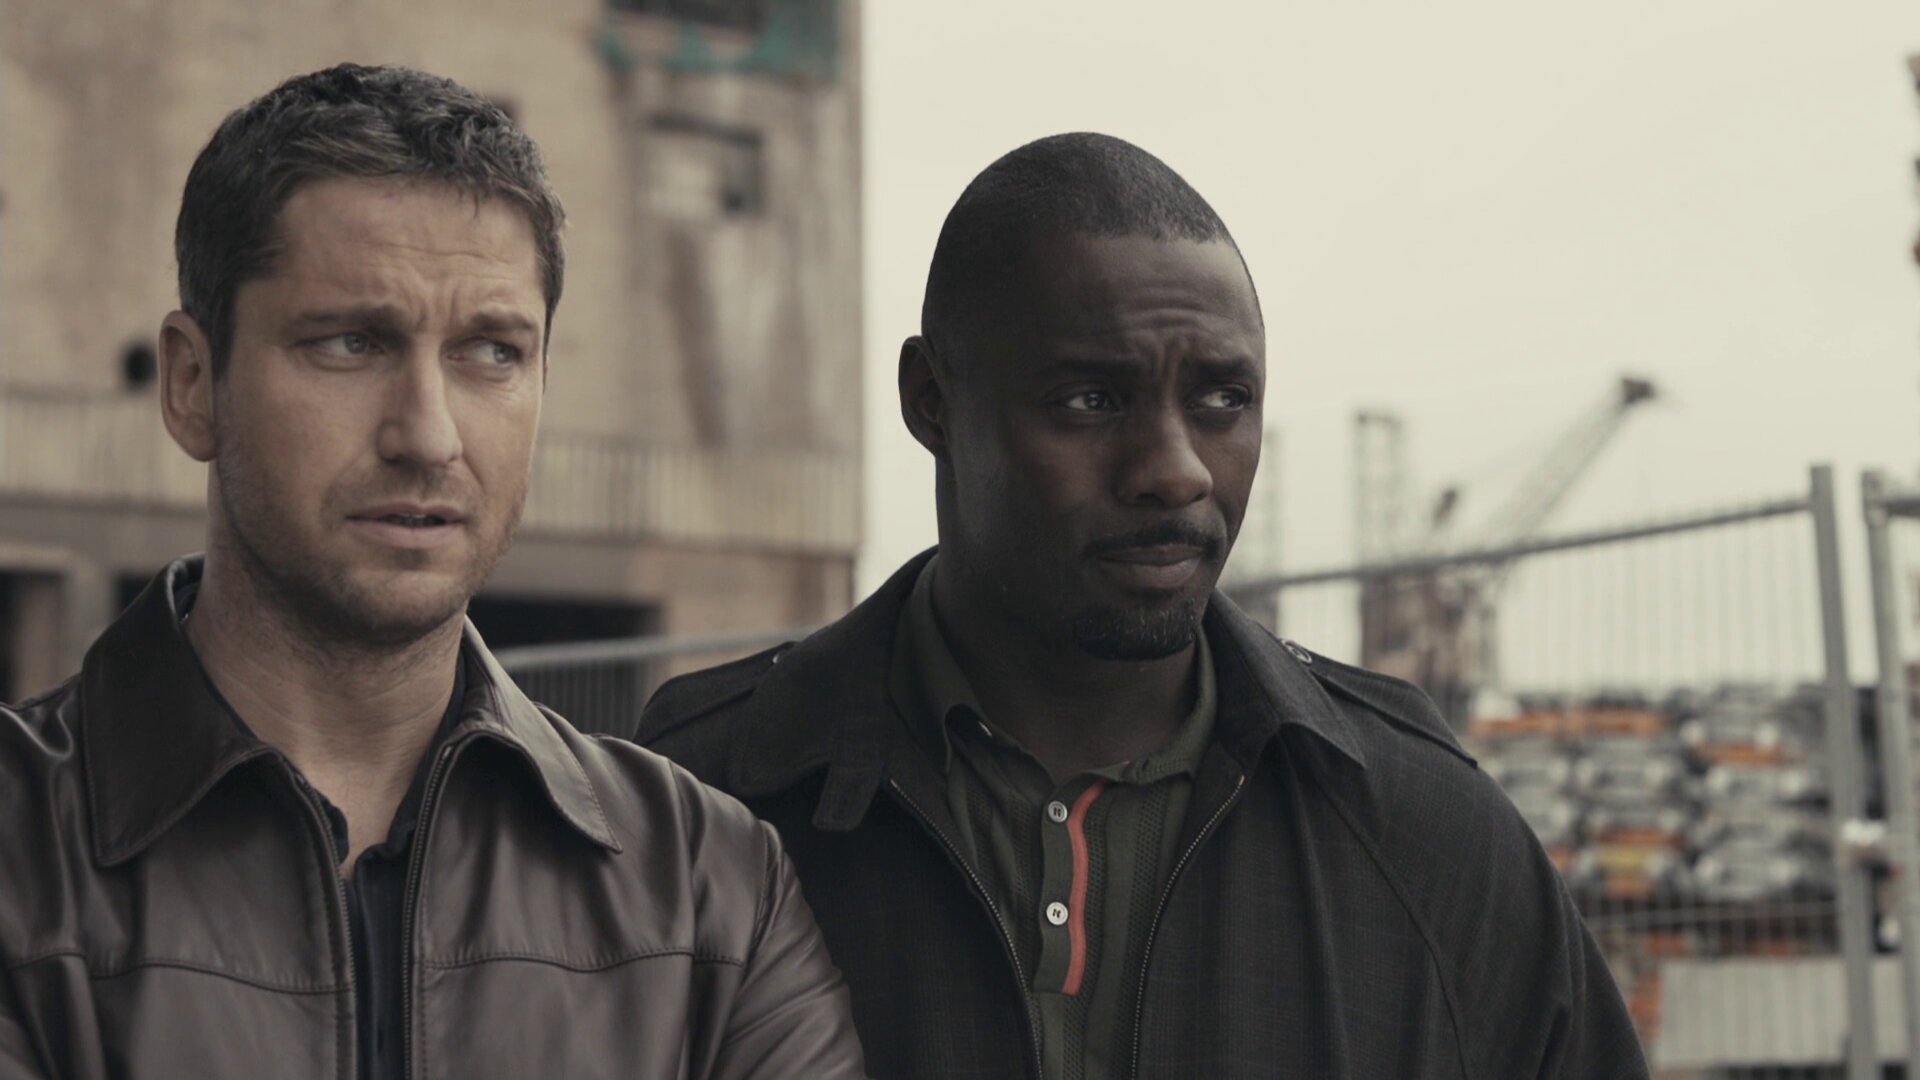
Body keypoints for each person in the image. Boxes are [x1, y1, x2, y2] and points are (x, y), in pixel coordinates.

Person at [638, 133, 1650, 1078]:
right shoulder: (701, 804)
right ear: (931, 400)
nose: (1175, 471)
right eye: (1091, 400)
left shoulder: (1429, 835)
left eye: (1222, 400)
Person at [0, 64, 864, 1079]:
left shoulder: (711, 892)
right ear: (193, 383)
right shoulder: (20, 850)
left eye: (491, 353)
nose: (429, 435)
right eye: (352, 343)